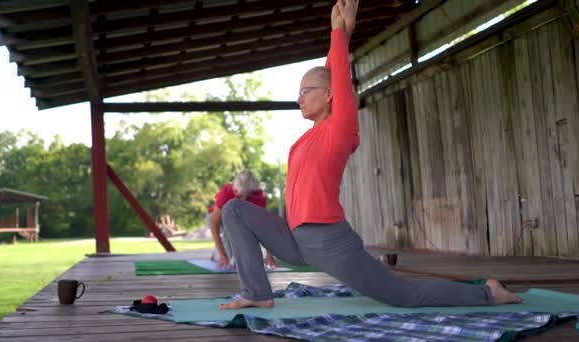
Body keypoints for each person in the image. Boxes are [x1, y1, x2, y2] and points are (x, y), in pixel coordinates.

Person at [218, 0, 522, 310]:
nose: (299, 99)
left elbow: (337, 78)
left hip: (329, 243)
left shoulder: (340, 129)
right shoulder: (309, 136)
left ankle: (489, 293)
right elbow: (328, 74)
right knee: (233, 209)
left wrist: (338, 32)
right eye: (299, 93)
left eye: (305, 91)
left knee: (405, 297)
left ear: (329, 96)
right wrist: (343, 32)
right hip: (295, 240)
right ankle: (257, 293)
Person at [209, 170, 278, 269]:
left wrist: (269, 255)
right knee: (230, 258)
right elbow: (214, 227)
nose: (244, 199)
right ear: (235, 188)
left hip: (239, 219)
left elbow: (265, 228)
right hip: (216, 218)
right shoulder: (227, 192)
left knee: (244, 248)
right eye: (240, 195)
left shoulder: (259, 196)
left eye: (247, 195)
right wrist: (223, 256)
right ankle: (218, 252)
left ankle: (219, 250)